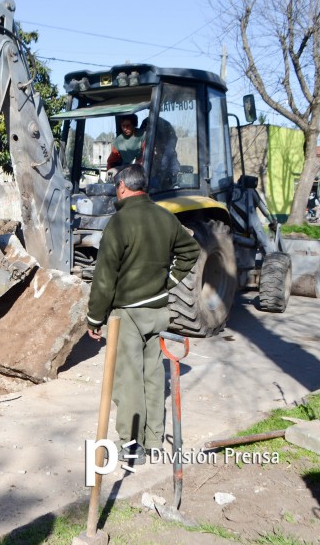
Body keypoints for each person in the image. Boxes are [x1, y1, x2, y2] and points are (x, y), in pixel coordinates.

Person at [85, 165, 200, 464]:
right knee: (152, 375)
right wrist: (169, 283)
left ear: (122, 186)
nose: (114, 190)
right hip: (158, 311)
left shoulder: (119, 223)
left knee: (128, 379)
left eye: (115, 186)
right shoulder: (165, 217)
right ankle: (153, 441)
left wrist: (94, 319)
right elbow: (190, 250)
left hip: (129, 315)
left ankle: (131, 444)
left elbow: (104, 277)